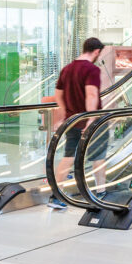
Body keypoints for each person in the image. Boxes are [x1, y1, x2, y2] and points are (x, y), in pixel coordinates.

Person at [48, 37, 109, 209]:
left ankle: (56, 195)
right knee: (98, 156)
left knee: (68, 155)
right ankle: (101, 193)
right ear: (96, 52)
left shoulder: (67, 69)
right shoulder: (91, 70)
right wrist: (90, 119)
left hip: (72, 121)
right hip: (92, 121)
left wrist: (62, 115)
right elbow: (91, 94)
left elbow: (58, 95)